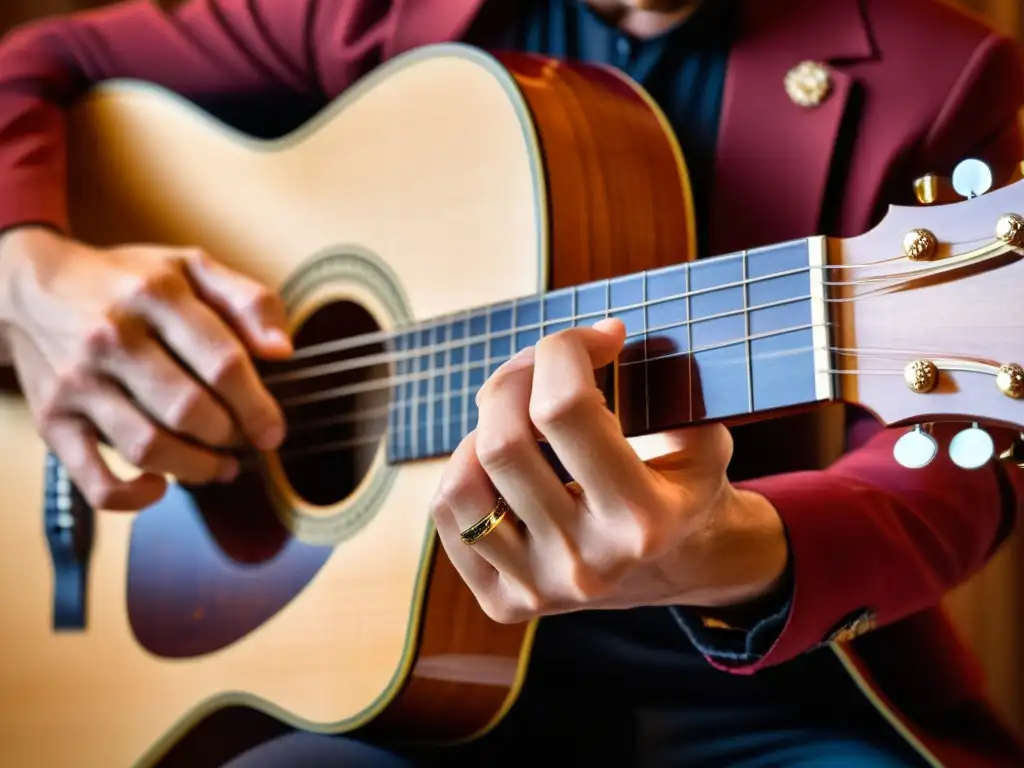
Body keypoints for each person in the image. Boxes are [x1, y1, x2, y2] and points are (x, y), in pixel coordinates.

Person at [0, 0, 1022, 765]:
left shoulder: (942, 75)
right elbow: (39, 63)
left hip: (763, 700)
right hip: (408, 698)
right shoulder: (391, 10)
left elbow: (959, 471)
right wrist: (31, 269)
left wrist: (726, 553)